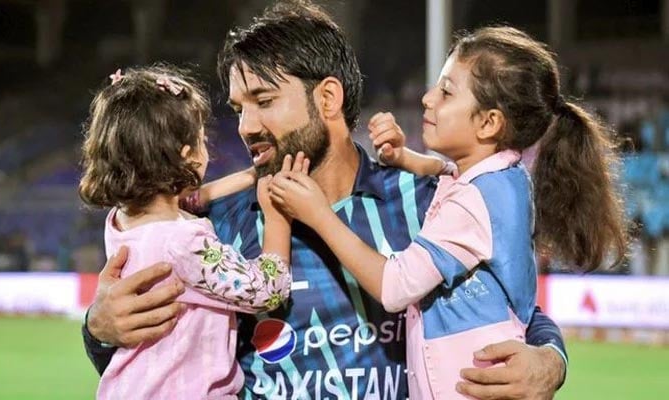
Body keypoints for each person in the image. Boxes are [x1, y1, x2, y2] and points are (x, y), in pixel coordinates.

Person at [82, 2, 569, 399]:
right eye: (238, 109)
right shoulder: (213, 225)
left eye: (265, 101)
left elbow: (509, 306)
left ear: (328, 98)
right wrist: (99, 330)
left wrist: (549, 360)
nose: (246, 126)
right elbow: (153, 367)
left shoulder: (425, 203)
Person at [268, 26, 629, 399]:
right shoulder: (505, 177)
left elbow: (394, 287)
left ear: (489, 122)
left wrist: (319, 215)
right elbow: (450, 174)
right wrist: (405, 158)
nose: (427, 99)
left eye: (445, 92)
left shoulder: (473, 204)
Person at [78, 65, 294, 398]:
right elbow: (267, 290)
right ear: (187, 157)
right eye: (201, 140)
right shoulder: (184, 243)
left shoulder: (123, 221)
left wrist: (254, 175)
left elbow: (188, 200)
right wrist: (277, 216)